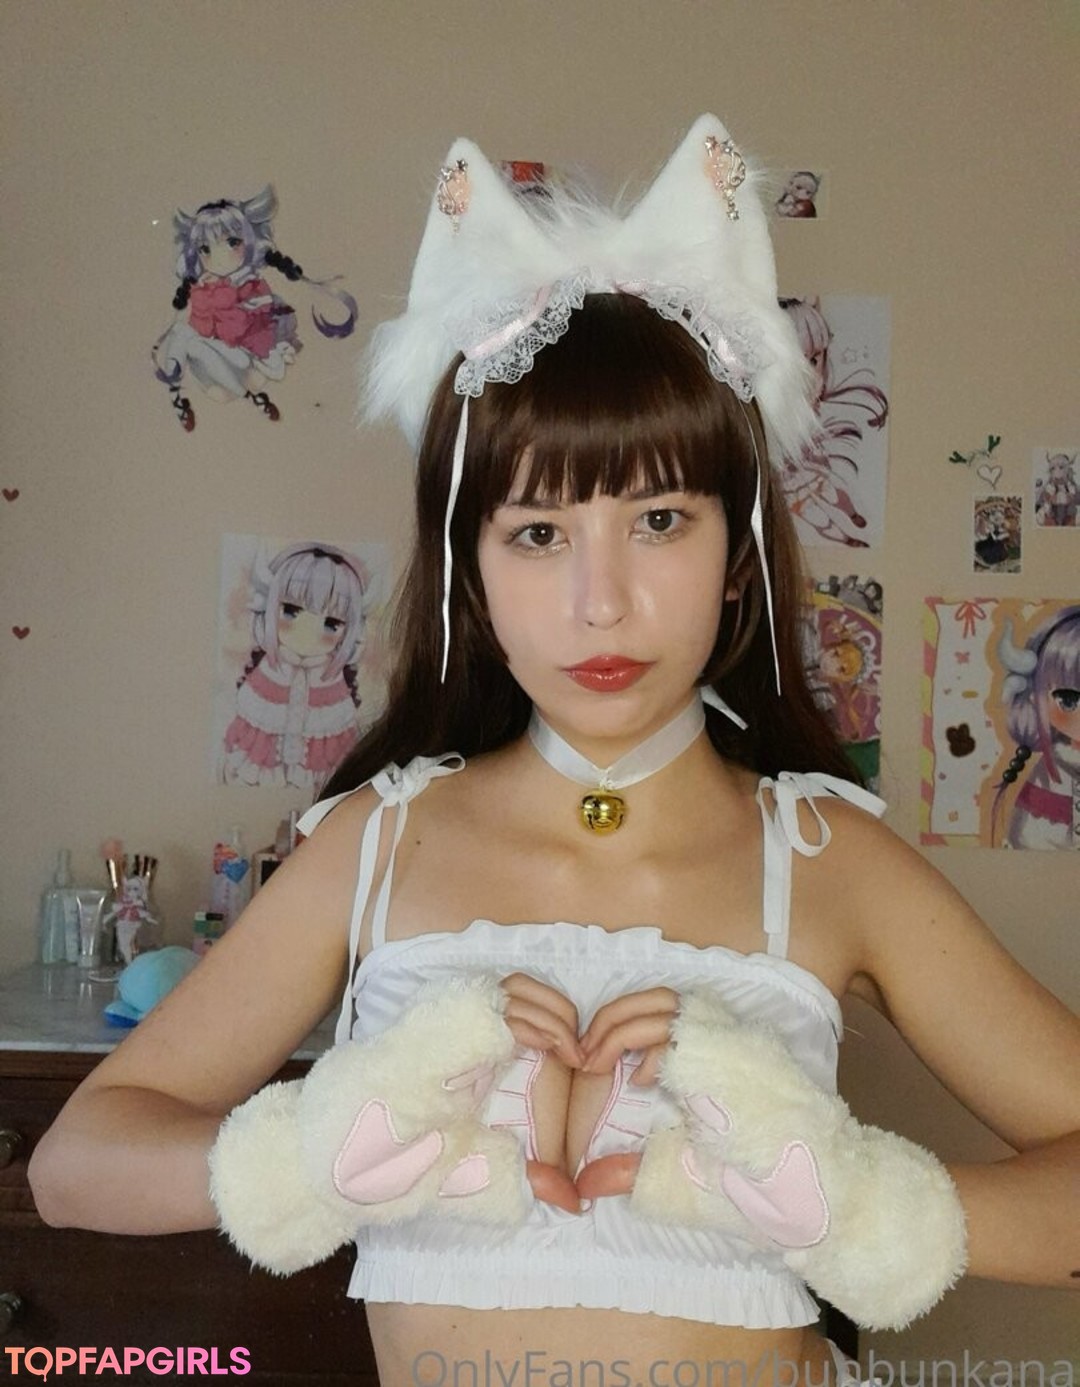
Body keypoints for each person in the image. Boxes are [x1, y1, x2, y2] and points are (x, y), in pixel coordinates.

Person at [31, 116, 1080, 1385]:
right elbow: (74, 1166)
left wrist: (860, 1203)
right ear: (471, 573)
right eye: (537, 533)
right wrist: (315, 1153)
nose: (602, 602)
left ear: (738, 554)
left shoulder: (829, 858)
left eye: (660, 519)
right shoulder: (376, 842)